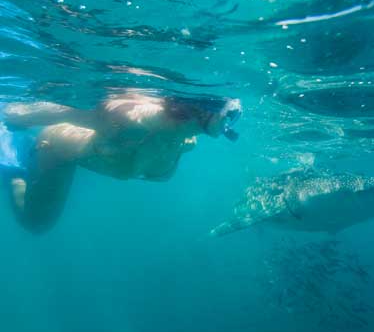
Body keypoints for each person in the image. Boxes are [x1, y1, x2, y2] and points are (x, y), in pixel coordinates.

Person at [0, 91, 242, 234]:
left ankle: (22, 154)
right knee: (37, 223)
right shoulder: (126, 118)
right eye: (223, 118)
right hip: (57, 148)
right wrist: (17, 116)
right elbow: (62, 113)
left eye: (227, 118)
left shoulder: (186, 140)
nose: (224, 126)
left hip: (97, 154)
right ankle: (13, 166)